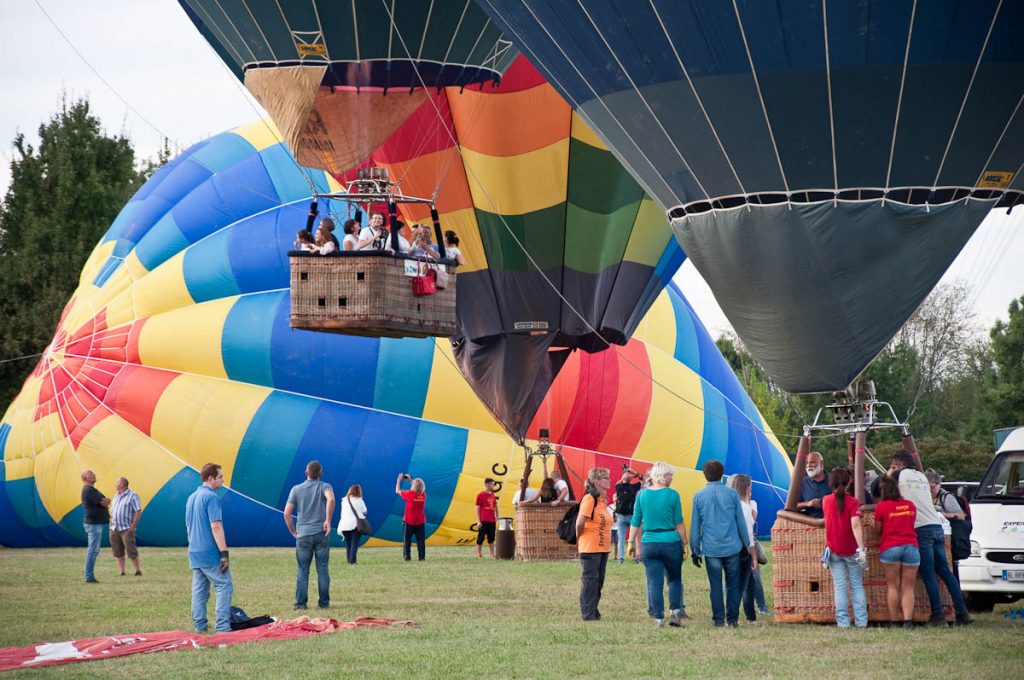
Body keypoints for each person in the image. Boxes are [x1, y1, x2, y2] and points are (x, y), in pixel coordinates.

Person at [888, 450, 972, 626]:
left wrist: (889, 473)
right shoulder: (920, 475)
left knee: (928, 574)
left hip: (920, 527)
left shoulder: (898, 475)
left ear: (900, 465)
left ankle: (938, 615)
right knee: (945, 571)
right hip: (936, 526)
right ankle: (963, 613)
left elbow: (882, 488)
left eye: (893, 466)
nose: (892, 469)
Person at [690, 460, 752, 628]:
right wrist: (746, 544)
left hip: (711, 548)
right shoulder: (732, 495)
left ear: (705, 474)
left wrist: (695, 549)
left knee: (715, 586)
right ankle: (732, 619)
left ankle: (718, 620)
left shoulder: (698, 496)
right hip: (732, 547)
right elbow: (740, 522)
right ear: (722, 474)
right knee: (733, 584)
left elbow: (695, 526)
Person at [628, 461, 688, 627]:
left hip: (649, 543)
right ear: (664, 476)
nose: (672, 479)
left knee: (655, 582)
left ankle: (659, 618)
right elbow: (678, 522)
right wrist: (685, 543)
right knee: (675, 579)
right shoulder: (673, 495)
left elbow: (636, 520)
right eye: (671, 476)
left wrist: (630, 541)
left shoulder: (642, 495)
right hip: (670, 541)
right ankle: (675, 612)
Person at [185, 463, 233, 633]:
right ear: (211, 478)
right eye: (220, 477)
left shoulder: (191, 498)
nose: (222, 480)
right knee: (224, 586)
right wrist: (224, 553)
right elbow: (216, 526)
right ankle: (222, 627)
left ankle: (200, 626)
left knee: (199, 591)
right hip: (209, 552)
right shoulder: (212, 498)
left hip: (194, 550)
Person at [283, 461, 335, 610]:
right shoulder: (325, 486)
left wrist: (293, 530)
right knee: (323, 568)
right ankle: (324, 603)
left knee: (302, 569)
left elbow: (287, 513)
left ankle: (300, 603)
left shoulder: (296, 489)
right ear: (321, 473)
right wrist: (327, 520)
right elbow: (331, 499)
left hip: (303, 535)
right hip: (321, 533)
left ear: (306, 473)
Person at [821, 467, 868, 628]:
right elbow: (855, 525)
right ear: (849, 482)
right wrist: (861, 548)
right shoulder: (853, 502)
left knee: (840, 586)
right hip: (851, 550)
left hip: (833, 549)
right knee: (856, 585)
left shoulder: (825, 501)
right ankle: (861, 621)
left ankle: (843, 622)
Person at [872, 475, 920, 628]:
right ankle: (908, 621)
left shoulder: (882, 507)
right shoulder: (910, 505)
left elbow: (877, 531)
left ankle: (894, 620)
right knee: (908, 587)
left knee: (893, 586)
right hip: (911, 546)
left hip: (891, 547)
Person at [576, 467, 612, 621]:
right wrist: (579, 539)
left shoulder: (603, 500)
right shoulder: (590, 498)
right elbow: (579, 523)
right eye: (606, 478)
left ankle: (594, 610)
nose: (609, 480)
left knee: (599, 580)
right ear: (597, 482)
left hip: (602, 547)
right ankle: (588, 613)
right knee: (590, 580)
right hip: (590, 547)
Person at [726, 474, 760, 625]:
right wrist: (754, 557)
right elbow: (748, 536)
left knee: (749, 583)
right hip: (742, 550)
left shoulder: (727, 506)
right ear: (745, 488)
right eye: (750, 486)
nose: (752, 488)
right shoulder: (745, 508)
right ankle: (732, 618)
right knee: (738, 585)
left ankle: (751, 616)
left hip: (728, 548)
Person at [80, 469, 110, 583]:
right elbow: (104, 502)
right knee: (92, 550)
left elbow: (106, 500)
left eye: (94, 473)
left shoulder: (92, 490)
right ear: (85, 478)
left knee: (93, 550)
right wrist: (105, 501)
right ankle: (89, 576)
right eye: (91, 474)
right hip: (93, 524)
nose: (94, 475)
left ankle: (89, 576)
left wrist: (105, 501)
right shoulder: (88, 490)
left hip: (95, 524)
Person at [109, 476, 142, 577]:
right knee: (117, 551)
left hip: (126, 528)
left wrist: (132, 527)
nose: (115, 484)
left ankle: (137, 570)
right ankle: (122, 571)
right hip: (115, 528)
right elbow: (113, 509)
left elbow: (138, 511)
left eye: (117, 482)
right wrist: (111, 520)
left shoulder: (133, 496)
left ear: (122, 484)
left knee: (131, 550)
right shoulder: (116, 495)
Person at [614, 467, 642, 565]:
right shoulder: (618, 487)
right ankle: (621, 558)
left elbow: (644, 481)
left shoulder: (633, 487)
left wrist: (635, 473)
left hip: (631, 516)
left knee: (632, 538)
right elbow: (619, 482)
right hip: (621, 516)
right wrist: (627, 474)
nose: (626, 474)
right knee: (621, 538)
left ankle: (634, 557)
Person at [396, 474, 427, 561]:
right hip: (420, 521)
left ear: (414, 486)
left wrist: (399, 480)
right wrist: (411, 480)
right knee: (420, 541)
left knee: (407, 540)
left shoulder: (410, 494)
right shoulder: (423, 495)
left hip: (409, 521)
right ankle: (422, 557)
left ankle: (407, 556)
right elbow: (419, 487)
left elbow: (397, 490)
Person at [338, 484, 368, 565]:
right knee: (354, 544)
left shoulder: (344, 500)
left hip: (344, 525)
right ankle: (352, 561)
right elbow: (365, 511)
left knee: (348, 543)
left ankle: (349, 559)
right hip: (355, 525)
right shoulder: (359, 500)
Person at [795, 451, 829, 518]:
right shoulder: (802, 483)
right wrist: (808, 504)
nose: (808, 465)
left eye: (812, 462)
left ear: (821, 463)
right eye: (807, 463)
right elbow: (793, 506)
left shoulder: (832, 480)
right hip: (810, 525)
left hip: (831, 523)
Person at [476, 478, 498, 558]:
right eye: (492, 484)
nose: (493, 486)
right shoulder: (480, 495)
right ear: (487, 484)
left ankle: (492, 553)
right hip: (483, 519)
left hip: (492, 520)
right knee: (481, 537)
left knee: (491, 537)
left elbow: (495, 505)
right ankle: (479, 553)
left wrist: (497, 516)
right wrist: (478, 521)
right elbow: (477, 508)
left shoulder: (492, 494)